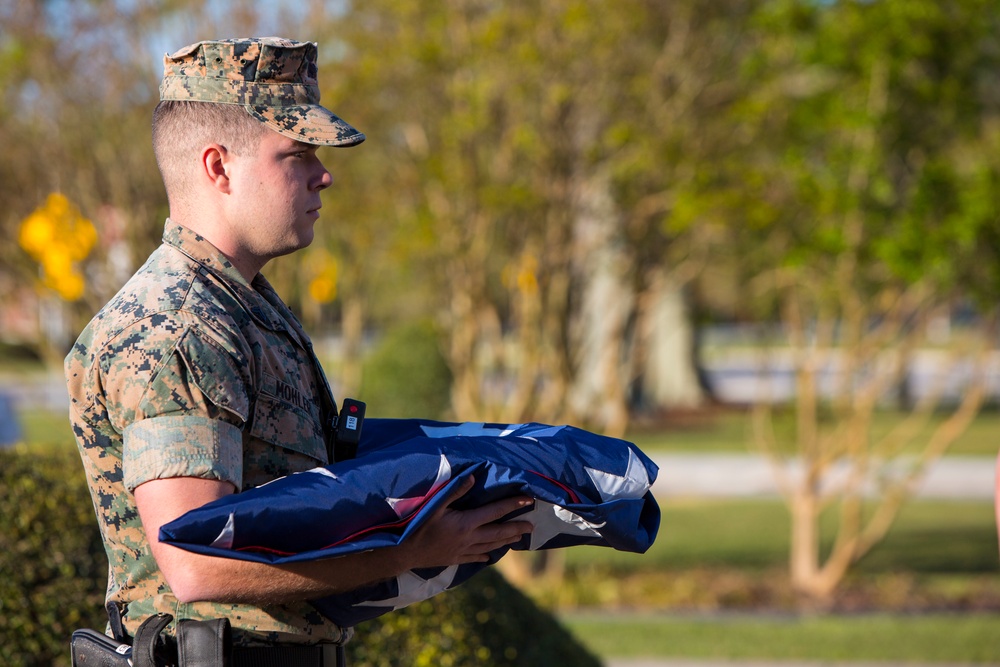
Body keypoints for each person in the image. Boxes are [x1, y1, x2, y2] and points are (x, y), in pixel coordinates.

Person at [65, 37, 532, 665]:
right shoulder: (175, 330)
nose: (324, 174)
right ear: (218, 167)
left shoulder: (243, 307)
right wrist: (410, 552)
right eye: (298, 154)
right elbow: (196, 565)